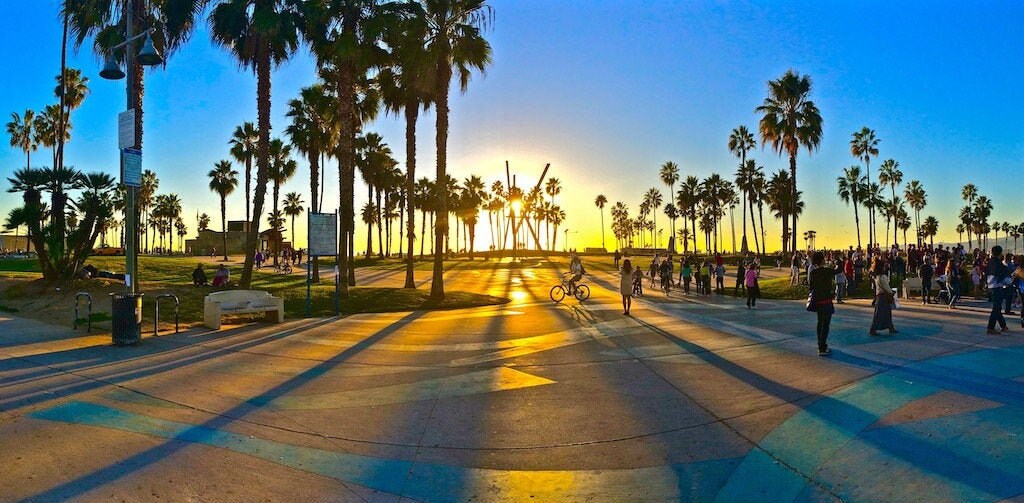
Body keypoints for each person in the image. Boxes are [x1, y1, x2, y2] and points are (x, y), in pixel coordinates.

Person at [808, 251, 835, 356]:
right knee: (826, 324)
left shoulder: (813, 273)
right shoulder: (828, 271)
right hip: (827, 301)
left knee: (820, 323)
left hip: (818, 301)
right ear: (823, 260)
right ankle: (822, 346)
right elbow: (839, 270)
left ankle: (820, 344)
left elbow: (811, 288)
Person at [986, 245, 1012, 334]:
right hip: (997, 287)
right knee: (996, 308)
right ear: (1000, 253)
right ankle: (991, 328)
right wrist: (1010, 281)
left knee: (997, 308)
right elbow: (1006, 279)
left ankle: (1003, 326)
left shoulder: (989, 262)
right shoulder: (999, 264)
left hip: (990, 287)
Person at [870, 257, 898, 336]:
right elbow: (887, 288)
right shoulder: (883, 277)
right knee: (884, 313)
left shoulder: (876, 276)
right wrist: (892, 292)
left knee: (880, 313)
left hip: (879, 296)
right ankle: (875, 329)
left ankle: (889, 327)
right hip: (884, 297)